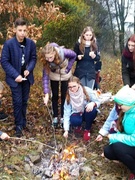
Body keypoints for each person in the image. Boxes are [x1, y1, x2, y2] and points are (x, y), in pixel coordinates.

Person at [1, 18, 37, 137]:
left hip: (26, 78)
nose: (22, 33)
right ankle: (19, 126)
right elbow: (4, 62)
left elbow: (33, 58)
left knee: (24, 101)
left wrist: (29, 69)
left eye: (24, 30)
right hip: (14, 78)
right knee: (17, 101)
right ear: (15, 30)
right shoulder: (9, 44)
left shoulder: (31, 43)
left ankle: (23, 121)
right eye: (20, 30)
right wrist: (15, 75)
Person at [96, 34, 135, 141]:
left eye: (133, 46)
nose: (130, 48)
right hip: (129, 81)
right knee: (120, 106)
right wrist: (127, 86)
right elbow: (124, 71)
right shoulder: (126, 54)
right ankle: (118, 128)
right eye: (129, 45)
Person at [103, 86, 135, 180]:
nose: (119, 107)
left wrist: (114, 137)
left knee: (117, 147)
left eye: (121, 105)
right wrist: (112, 138)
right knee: (108, 151)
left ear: (128, 102)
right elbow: (125, 132)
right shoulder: (128, 112)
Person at [42, 42, 76, 127]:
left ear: (54, 53)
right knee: (55, 95)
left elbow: (74, 55)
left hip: (64, 73)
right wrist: (46, 94)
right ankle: (55, 117)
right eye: (47, 58)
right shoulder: (46, 61)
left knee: (64, 95)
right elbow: (45, 78)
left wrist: (68, 68)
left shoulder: (63, 52)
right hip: (54, 74)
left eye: (50, 57)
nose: (49, 60)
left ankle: (63, 116)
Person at [63, 76, 100, 141]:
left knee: (92, 111)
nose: (72, 89)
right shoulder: (68, 95)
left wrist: (93, 104)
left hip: (87, 112)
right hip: (77, 113)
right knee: (74, 120)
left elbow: (98, 101)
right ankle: (79, 125)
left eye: (74, 86)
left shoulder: (87, 90)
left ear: (79, 84)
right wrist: (66, 130)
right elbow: (66, 113)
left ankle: (87, 129)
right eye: (70, 87)